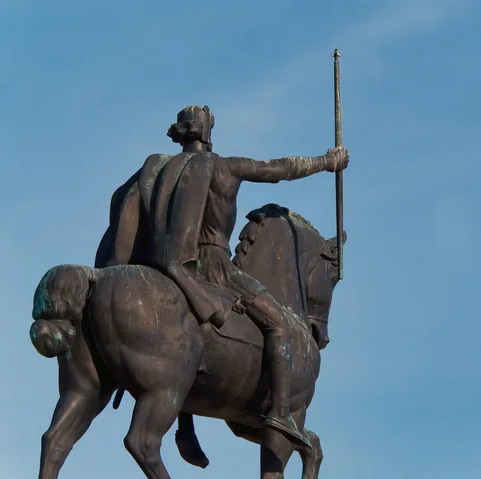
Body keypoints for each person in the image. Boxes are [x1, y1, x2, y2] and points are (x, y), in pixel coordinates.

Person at [95, 105, 349, 447]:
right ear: (207, 134)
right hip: (215, 268)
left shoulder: (156, 169)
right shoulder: (225, 168)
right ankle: (278, 411)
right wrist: (326, 162)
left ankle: (184, 424)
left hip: (161, 263)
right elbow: (280, 169)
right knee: (280, 325)